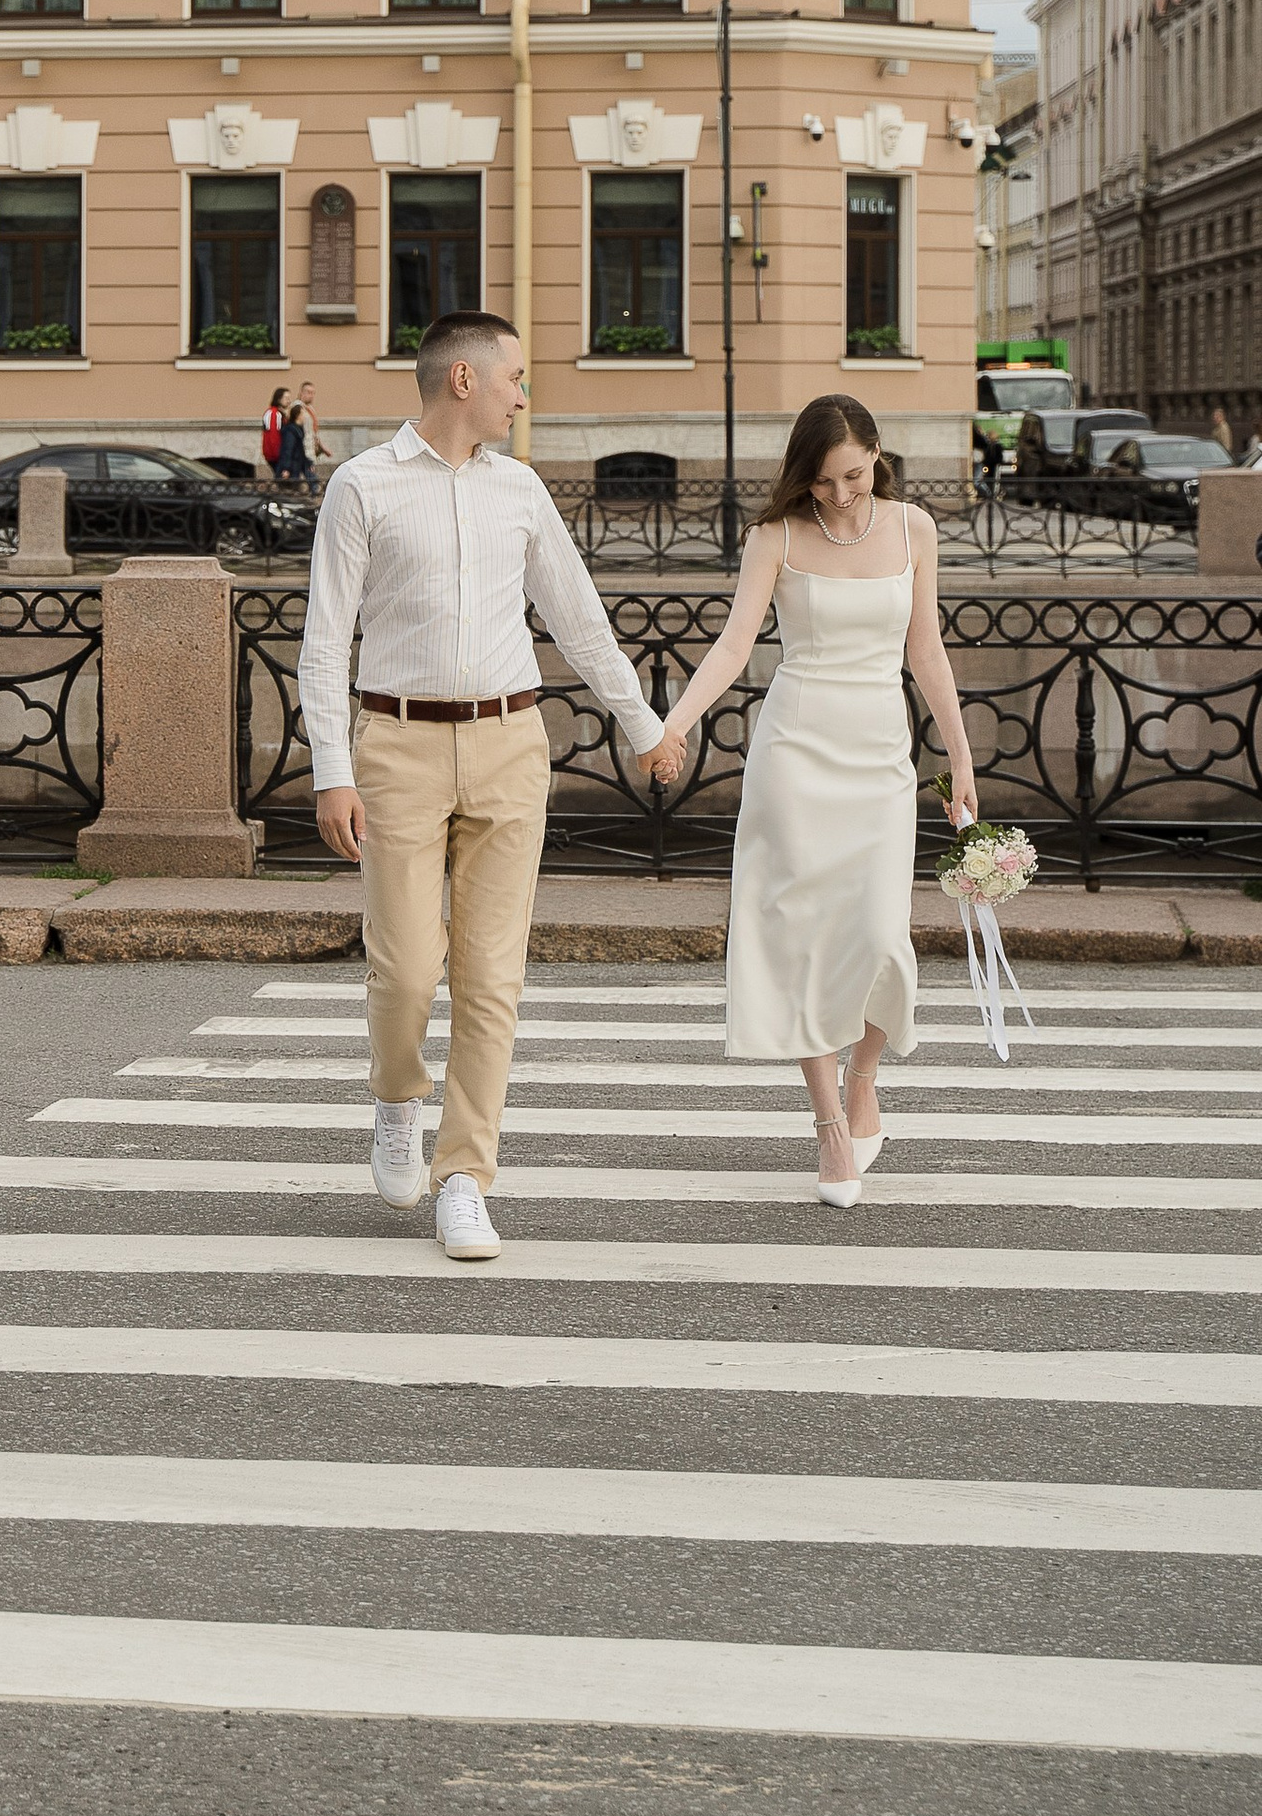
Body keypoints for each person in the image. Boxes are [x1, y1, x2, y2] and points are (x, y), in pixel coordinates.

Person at [301, 314, 666, 1260]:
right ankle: (395, 1099)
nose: (523, 394)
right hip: (397, 746)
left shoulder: (521, 491)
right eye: (515, 377)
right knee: (408, 970)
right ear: (464, 378)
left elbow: (580, 621)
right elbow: (325, 640)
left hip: (509, 742)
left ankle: (463, 1176)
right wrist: (332, 769)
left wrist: (642, 727)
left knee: (493, 977)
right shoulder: (362, 486)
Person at [646, 394, 977, 1207]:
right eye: (825, 482)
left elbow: (926, 652)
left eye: (854, 477)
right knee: (801, 940)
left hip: (878, 758)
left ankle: (864, 1073)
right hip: (795, 753)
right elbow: (733, 644)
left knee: (878, 936)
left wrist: (961, 762)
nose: (840, 495)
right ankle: (830, 1124)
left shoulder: (913, 529)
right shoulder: (776, 536)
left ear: (875, 456)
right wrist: (674, 725)